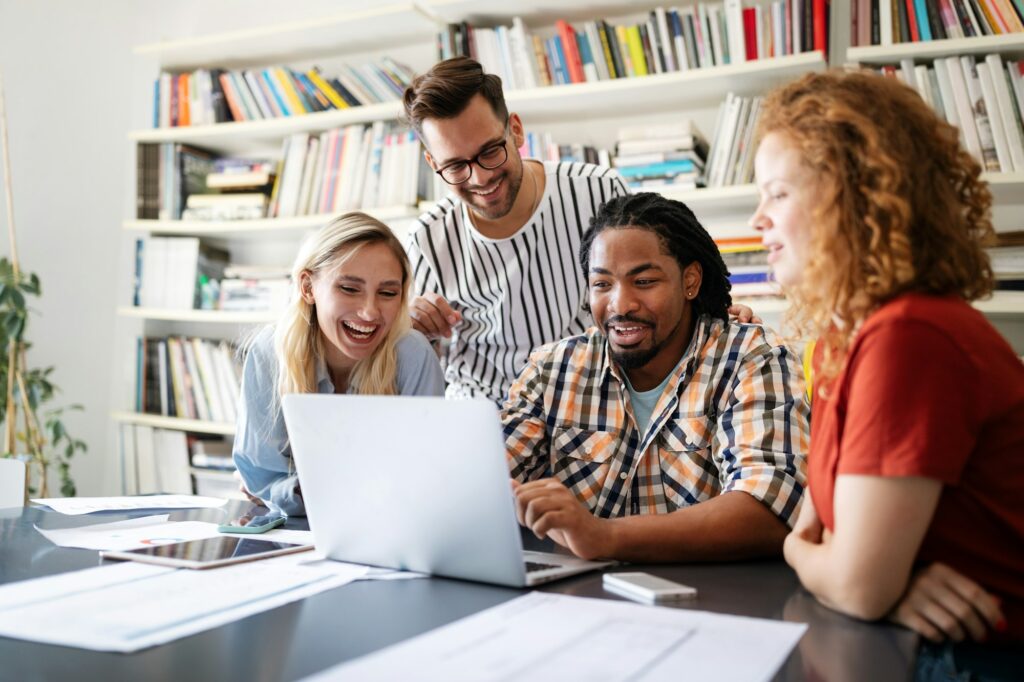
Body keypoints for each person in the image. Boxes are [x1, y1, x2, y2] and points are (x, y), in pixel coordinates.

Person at [750, 71, 1024, 667]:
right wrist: (873, 583)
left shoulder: (910, 336)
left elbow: (850, 579)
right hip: (909, 642)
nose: (757, 220)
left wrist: (846, 573)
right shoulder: (837, 344)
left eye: (777, 193)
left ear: (851, 194)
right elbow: (828, 549)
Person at [402, 57, 756, 403]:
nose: (480, 178)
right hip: (489, 419)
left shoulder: (597, 191)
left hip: (593, 410)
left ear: (515, 129)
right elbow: (424, 364)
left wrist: (713, 316)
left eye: (490, 152)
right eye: (455, 166)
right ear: (433, 163)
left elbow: (654, 287)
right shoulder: (426, 242)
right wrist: (413, 328)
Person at [504, 192, 809, 563]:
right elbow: (485, 478)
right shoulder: (552, 368)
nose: (621, 304)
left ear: (690, 281)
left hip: (715, 599)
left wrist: (603, 535)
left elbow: (768, 509)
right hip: (579, 599)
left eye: (644, 281)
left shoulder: (750, 357)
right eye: (602, 284)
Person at [233, 212, 445, 515]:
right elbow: (259, 475)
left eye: (387, 293)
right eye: (349, 289)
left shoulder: (413, 355)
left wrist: (305, 488)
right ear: (308, 287)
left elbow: (423, 478)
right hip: (296, 529)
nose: (370, 312)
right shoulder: (269, 352)